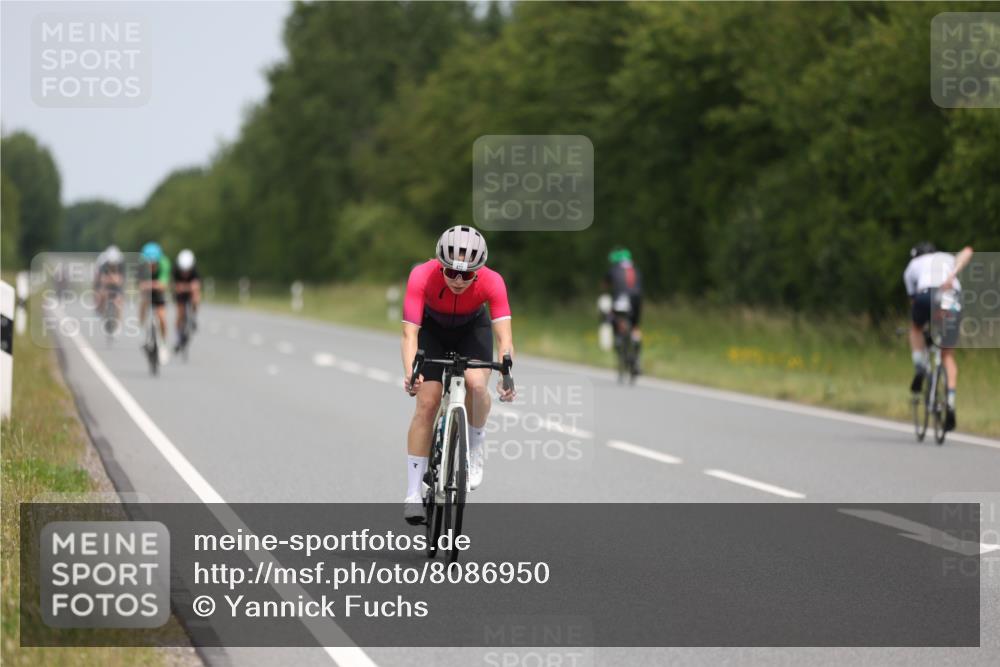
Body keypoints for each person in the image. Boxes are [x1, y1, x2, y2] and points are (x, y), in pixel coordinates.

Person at [400, 225, 515, 524]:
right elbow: (409, 333)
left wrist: (506, 373)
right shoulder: (422, 276)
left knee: (477, 386)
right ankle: (413, 493)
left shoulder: (493, 281)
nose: (458, 280)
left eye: (466, 275)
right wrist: (411, 373)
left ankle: (474, 446)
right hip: (432, 331)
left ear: (479, 271)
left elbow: (505, 339)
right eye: (451, 272)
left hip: (471, 329)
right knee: (427, 402)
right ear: (440, 264)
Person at [904, 242, 974, 431]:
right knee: (947, 355)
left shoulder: (912, 266)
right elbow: (968, 250)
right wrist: (952, 275)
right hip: (951, 296)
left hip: (926, 295)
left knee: (916, 328)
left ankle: (919, 366)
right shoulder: (947, 258)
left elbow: (914, 302)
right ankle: (950, 399)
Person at [603, 247, 643, 374]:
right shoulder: (636, 269)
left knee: (613, 318)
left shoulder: (614, 269)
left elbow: (605, 286)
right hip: (636, 300)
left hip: (620, 300)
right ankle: (636, 357)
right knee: (635, 326)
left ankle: (619, 339)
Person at [138, 242, 171, 363]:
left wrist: (151, 285)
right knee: (143, 303)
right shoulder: (141, 265)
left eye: (154, 263)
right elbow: (140, 285)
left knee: (161, 316)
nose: (151, 265)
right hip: (147, 292)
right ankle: (143, 331)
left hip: (159, 292)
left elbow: (163, 285)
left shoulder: (164, 263)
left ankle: (163, 344)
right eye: (149, 263)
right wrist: (150, 285)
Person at [172, 249, 201, 352]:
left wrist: (187, 287)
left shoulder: (194, 270)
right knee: (180, 314)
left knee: (196, 295)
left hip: (190, 292)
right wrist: (185, 287)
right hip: (180, 294)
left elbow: (196, 285)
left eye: (187, 271)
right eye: (183, 270)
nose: (185, 273)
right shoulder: (175, 270)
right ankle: (177, 338)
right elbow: (175, 286)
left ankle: (194, 315)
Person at [94, 245, 125, 330]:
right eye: (111, 264)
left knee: (119, 301)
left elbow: (121, 280)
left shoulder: (121, 264)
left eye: (114, 264)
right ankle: (100, 310)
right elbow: (101, 279)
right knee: (101, 294)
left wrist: (113, 280)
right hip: (105, 284)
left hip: (116, 286)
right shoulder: (103, 264)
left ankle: (118, 324)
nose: (112, 265)